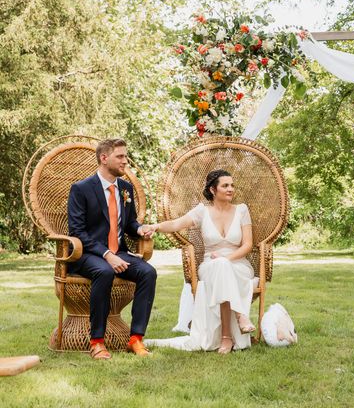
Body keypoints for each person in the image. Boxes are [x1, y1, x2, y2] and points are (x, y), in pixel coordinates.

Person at [145, 169, 256, 354]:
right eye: (225, 185)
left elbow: (248, 245)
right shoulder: (202, 212)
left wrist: (226, 259)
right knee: (220, 267)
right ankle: (241, 316)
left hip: (239, 264)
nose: (231, 189)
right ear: (213, 189)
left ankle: (226, 338)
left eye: (232, 185)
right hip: (210, 266)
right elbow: (175, 224)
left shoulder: (242, 210)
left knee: (223, 265)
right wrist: (155, 227)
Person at [67, 138, 157, 360]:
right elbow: (77, 232)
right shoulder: (81, 189)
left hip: (119, 252)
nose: (125, 161)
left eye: (126, 156)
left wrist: (140, 229)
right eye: (120, 156)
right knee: (104, 271)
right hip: (88, 254)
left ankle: (136, 339)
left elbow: (129, 224)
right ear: (104, 158)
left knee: (148, 272)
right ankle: (97, 342)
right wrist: (107, 255)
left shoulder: (126, 189)